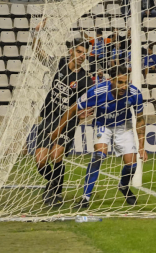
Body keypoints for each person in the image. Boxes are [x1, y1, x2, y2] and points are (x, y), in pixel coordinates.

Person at [51, 66, 148, 208]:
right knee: (99, 156)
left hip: (123, 126)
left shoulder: (134, 94)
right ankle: (85, 197)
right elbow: (73, 108)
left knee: (132, 166)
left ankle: (123, 185)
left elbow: (140, 120)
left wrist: (141, 147)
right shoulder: (97, 91)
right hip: (103, 124)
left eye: (126, 82)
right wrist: (57, 131)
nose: (124, 86)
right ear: (111, 81)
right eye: (120, 82)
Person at [32, 19, 94, 206]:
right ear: (71, 51)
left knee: (56, 156)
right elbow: (39, 54)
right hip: (48, 117)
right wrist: (35, 33)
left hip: (67, 122)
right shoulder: (58, 64)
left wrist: (86, 113)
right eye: (79, 52)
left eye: (85, 53)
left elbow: (87, 106)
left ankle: (54, 192)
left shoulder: (86, 80)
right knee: (40, 161)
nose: (82, 56)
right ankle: (55, 182)